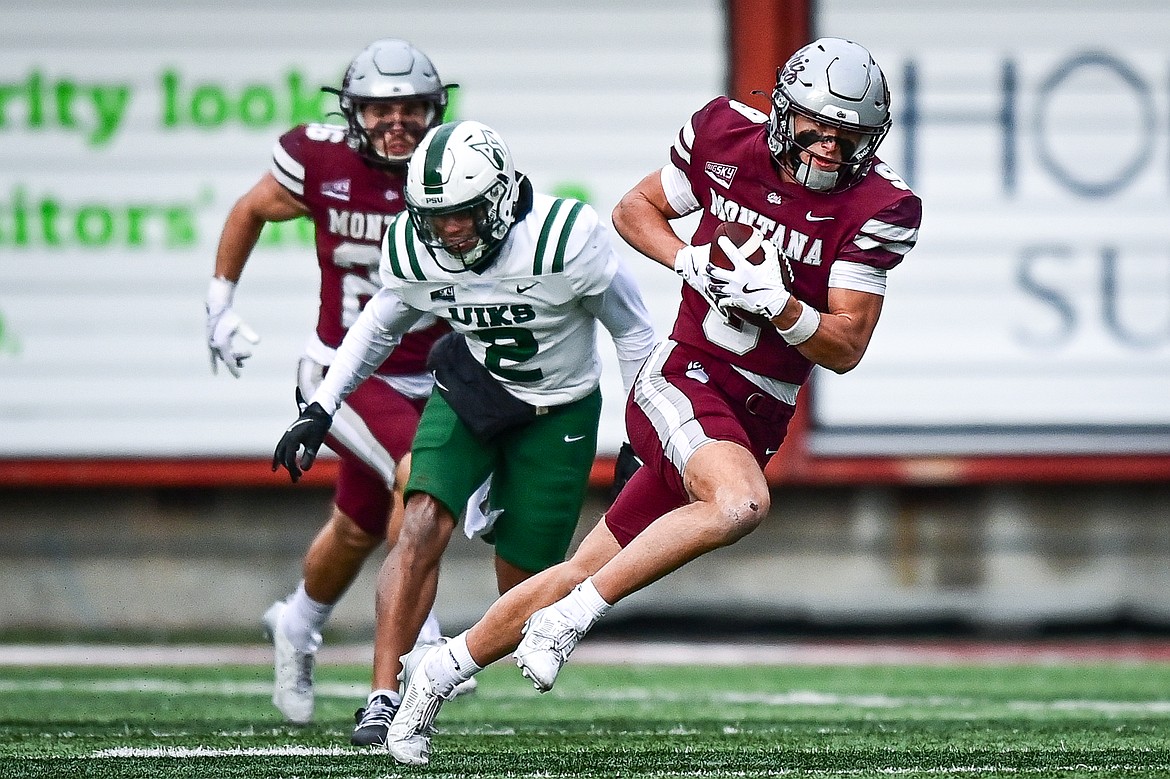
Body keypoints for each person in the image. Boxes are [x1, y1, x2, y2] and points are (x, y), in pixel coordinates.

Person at [380, 37, 923, 766]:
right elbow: (634, 209)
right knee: (740, 504)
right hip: (684, 373)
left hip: (757, 407)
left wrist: (785, 307)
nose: (828, 149)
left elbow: (846, 345)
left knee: (579, 566)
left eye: (847, 136)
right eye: (817, 128)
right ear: (784, 112)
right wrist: (687, 258)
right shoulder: (724, 135)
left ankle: (433, 676)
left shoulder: (880, 206)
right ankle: (570, 622)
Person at [272, 118, 657, 747]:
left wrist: (640, 433)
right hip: (472, 390)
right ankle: (384, 695)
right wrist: (321, 405)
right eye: (436, 215)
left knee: (525, 591)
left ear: (502, 196)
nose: (449, 230)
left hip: (558, 408)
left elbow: (634, 331)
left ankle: (443, 671)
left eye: (465, 213)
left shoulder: (564, 240)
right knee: (420, 518)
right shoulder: (414, 246)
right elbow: (379, 323)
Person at [206, 38, 462, 727]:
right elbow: (249, 210)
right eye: (380, 108)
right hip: (342, 372)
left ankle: (297, 621)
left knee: (355, 528)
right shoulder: (320, 160)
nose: (396, 121)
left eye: (411, 107)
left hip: (431, 374)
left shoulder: (456, 164)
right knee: (421, 477)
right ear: (353, 111)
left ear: (435, 109)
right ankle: (425, 646)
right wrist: (220, 303)